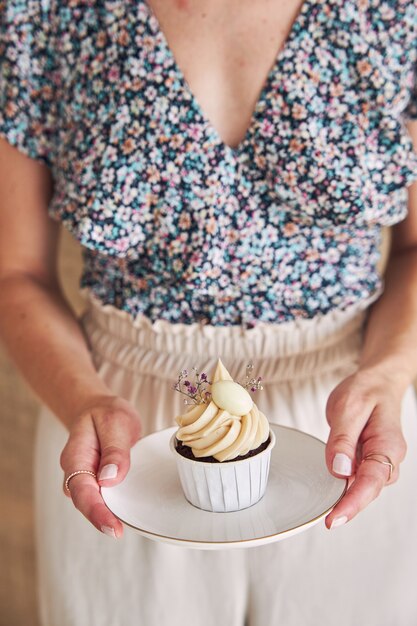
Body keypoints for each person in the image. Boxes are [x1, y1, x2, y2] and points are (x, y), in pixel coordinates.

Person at [1, 0, 417, 624]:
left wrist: (389, 372)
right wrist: (83, 401)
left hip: (348, 422)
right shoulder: (43, 12)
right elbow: (17, 272)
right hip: (122, 429)